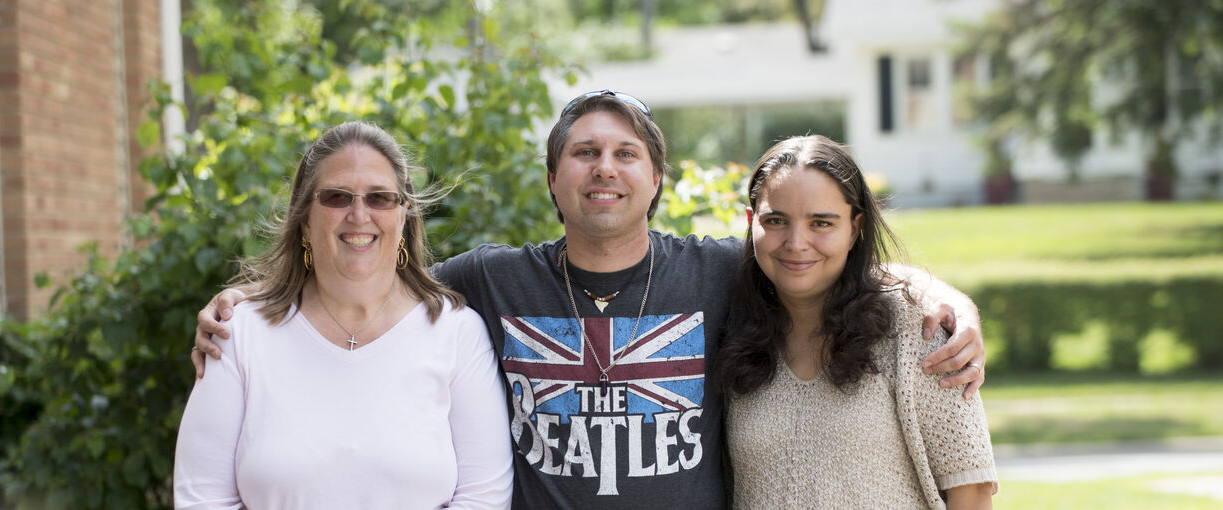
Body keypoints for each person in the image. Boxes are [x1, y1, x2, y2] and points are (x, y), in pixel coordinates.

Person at [191, 91, 989, 509]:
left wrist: (935, 290)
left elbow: (815, 255)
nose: (604, 168)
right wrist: (243, 302)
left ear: (655, 179)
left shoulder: (721, 272)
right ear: (553, 179)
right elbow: (359, 261)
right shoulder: (489, 283)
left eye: (624, 152)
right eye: (583, 153)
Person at [172, 121, 513, 509]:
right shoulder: (241, 334)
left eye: (380, 198)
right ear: (304, 218)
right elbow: (203, 499)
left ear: (403, 216)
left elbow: (483, 499)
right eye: (336, 197)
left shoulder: (457, 334)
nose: (358, 214)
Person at [717, 135, 996, 509]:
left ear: (855, 227)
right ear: (752, 223)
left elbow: (971, 492)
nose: (796, 242)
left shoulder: (918, 330)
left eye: (821, 223)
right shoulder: (729, 331)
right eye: (776, 220)